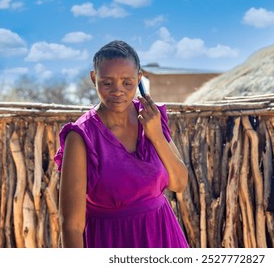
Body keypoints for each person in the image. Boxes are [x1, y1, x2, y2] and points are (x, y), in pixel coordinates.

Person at [54, 40, 189, 248]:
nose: (118, 91)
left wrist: (156, 135)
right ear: (93, 78)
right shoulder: (81, 137)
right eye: (107, 83)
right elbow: (71, 225)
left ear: (140, 79)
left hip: (164, 237)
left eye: (127, 82)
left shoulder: (152, 118)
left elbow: (178, 183)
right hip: (112, 241)